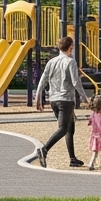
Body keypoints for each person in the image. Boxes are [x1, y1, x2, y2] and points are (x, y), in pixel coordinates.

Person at [34, 36, 91, 168]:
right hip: (66, 100)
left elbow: (43, 80)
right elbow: (76, 82)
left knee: (70, 128)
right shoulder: (71, 62)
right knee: (63, 129)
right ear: (70, 47)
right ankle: (44, 150)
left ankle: (72, 158)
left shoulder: (51, 62)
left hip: (53, 99)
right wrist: (85, 98)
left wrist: (38, 98)